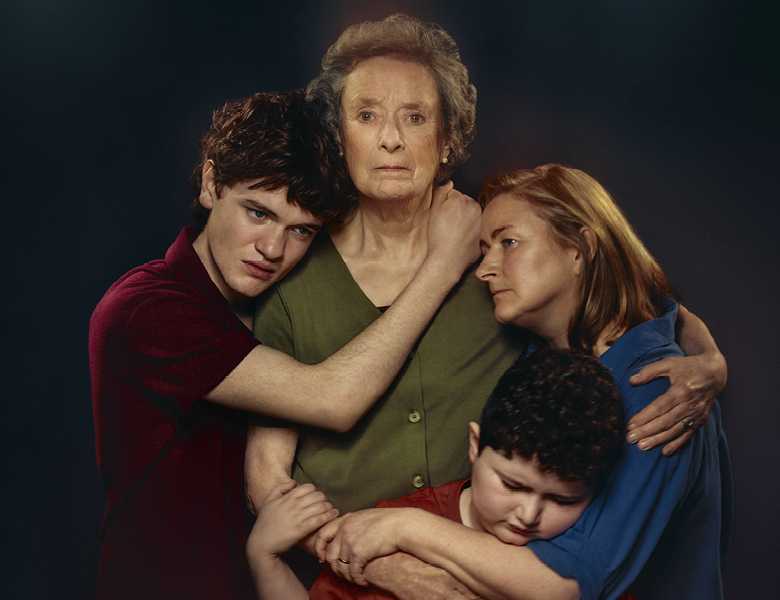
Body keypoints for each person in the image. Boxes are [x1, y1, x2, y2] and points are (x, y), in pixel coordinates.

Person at [247, 14, 728, 597]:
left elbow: (633, 294)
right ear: (338, 134)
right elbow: (267, 476)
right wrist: (378, 565)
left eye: (416, 118)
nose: (391, 139)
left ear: (447, 138)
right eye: (367, 116)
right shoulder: (294, 270)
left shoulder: (499, 255)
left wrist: (707, 360)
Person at [88, 90, 482, 600]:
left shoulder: (275, 307)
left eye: (299, 231)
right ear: (211, 185)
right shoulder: (147, 310)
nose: (273, 249)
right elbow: (331, 399)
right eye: (258, 213)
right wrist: (444, 265)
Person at [320, 164, 732, 599]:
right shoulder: (545, 358)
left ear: (579, 248)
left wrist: (403, 526)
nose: (485, 269)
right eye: (484, 248)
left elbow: (564, 586)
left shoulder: (659, 390)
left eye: (508, 242)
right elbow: (666, 305)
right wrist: (711, 356)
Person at [246, 347, 633, 600]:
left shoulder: (588, 556)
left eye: (563, 499)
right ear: (474, 446)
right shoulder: (384, 532)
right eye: (512, 484)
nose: (529, 515)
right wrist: (266, 559)